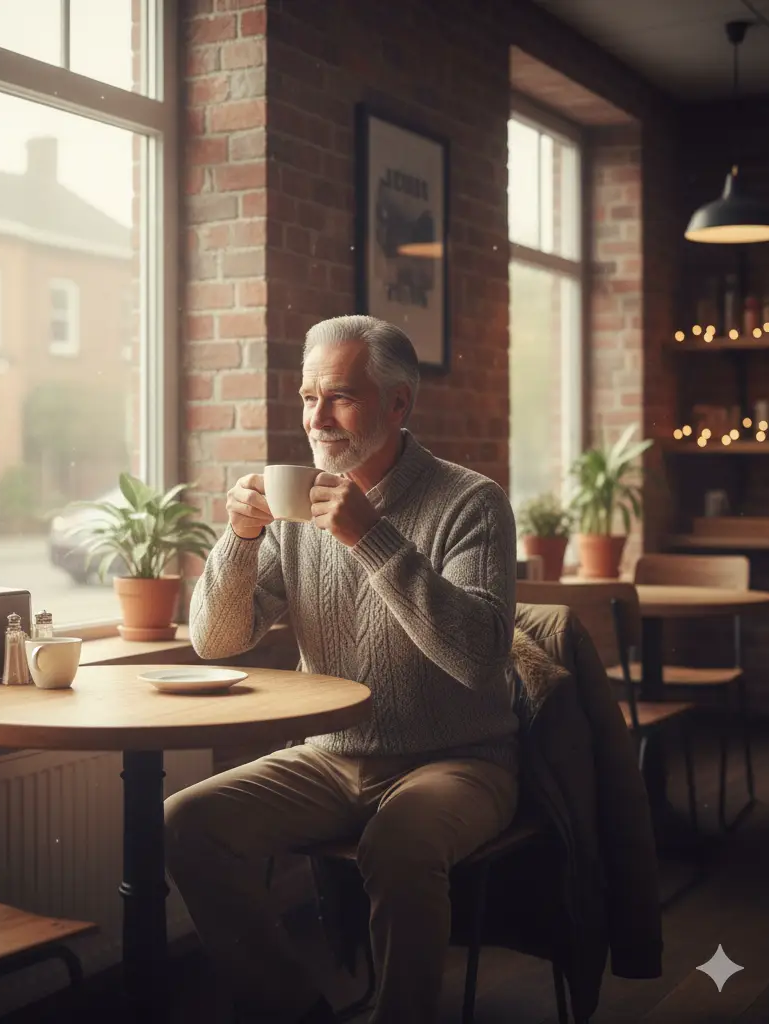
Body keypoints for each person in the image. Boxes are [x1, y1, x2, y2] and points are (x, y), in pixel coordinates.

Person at [164, 315, 519, 1024]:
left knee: (401, 843)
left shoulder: (471, 502)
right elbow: (215, 640)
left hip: (460, 759)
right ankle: (294, 1010)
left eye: (340, 397)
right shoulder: (298, 508)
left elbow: (480, 661)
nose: (316, 417)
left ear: (398, 405)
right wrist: (238, 539)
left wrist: (369, 536)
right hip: (331, 758)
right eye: (306, 397)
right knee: (185, 822)